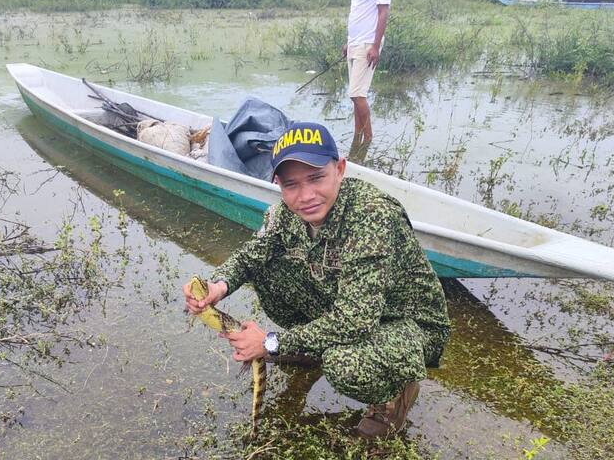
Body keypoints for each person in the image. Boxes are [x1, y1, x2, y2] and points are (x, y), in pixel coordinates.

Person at [183, 121, 450, 440]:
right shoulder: (286, 213)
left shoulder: (372, 214)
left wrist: (270, 342)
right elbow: (254, 252)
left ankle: (395, 392)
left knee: (343, 364)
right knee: (267, 266)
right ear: (278, 184)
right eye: (291, 184)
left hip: (408, 325)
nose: (305, 196)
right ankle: (311, 346)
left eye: (316, 178)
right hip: (352, 307)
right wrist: (218, 286)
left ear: (339, 169)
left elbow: (355, 320)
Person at [343, 0, 394, 161]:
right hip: (355, 43)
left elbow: (383, 12)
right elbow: (359, 13)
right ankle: (357, 135)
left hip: (367, 44)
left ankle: (368, 139)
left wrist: (375, 46)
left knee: (357, 93)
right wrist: (349, 42)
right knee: (354, 96)